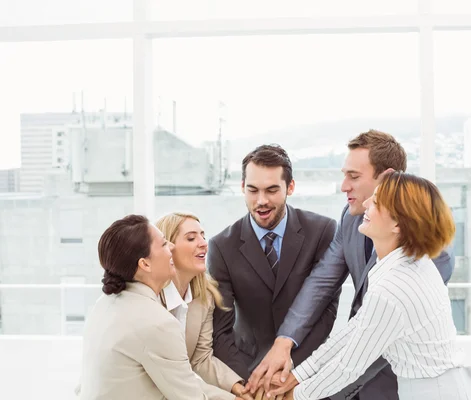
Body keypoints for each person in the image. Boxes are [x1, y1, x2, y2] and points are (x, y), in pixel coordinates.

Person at [247, 130, 455, 400]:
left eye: (354, 177)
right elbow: (323, 284)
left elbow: (360, 354)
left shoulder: (422, 263)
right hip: (351, 370)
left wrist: (299, 394)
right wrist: (285, 344)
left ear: (388, 178)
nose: (344, 186)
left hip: (393, 384)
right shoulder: (354, 218)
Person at [268, 171, 471, 400]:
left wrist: (295, 396)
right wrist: (299, 374)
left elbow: (348, 367)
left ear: (398, 224)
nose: (368, 202)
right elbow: (355, 330)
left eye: (377, 201)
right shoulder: (409, 263)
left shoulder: (394, 286)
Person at [208, 144, 339, 382]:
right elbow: (221, 332)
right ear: (242, 188)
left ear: (290, 187)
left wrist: (293, 372)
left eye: (271, 190)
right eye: (253, 190)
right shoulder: (221, 246)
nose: (261, 201)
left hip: (308, 373)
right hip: (249, 373)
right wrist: (251, 383)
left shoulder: (322, 231)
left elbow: (326, 312)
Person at [77, 214, 216, 399]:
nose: (172, 247)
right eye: (164, 244)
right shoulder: (157, 323)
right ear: (145, 264)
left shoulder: (104, 304)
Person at [155, 212, 251, 400]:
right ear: (168, 248)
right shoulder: (151, 298)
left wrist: (237, 387)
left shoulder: (204, 297)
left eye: (203, 236)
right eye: (191, 238)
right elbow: (172, 374)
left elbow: (201, 359)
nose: (203, 243)